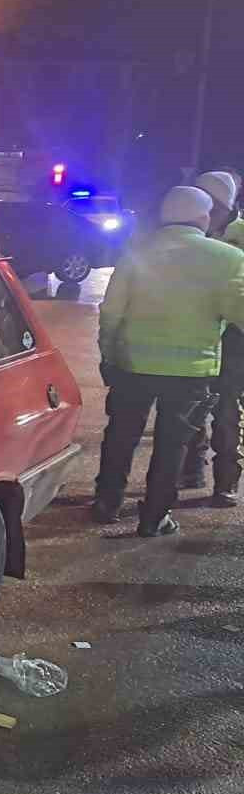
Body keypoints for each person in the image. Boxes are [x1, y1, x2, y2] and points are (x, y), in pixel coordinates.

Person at [92, 184, 244, 536]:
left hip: (131, 365)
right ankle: (154, 515)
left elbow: (111, 311)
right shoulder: (227, 258)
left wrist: (109, 354)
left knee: (120, 436)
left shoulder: (137, 251)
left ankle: (107, 501)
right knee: (172, 444)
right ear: (202, 217)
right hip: (190, 371)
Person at [180, 169, 244, 501]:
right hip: (196, 331)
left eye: (212, 203)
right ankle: (192, 470)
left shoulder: (240, 234)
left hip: (234, 336)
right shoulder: (191, 233)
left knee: (227, 410)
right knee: (191, 405)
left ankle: (226, 480)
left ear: (225, 204)